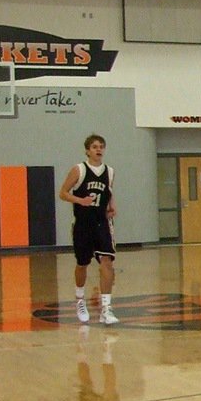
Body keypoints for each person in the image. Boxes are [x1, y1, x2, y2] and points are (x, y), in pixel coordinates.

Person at [59, 134, 119, 325]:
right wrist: (80, 201)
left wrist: (112, 206)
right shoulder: (79, 169)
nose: (98, 149)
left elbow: (108, 192)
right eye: (94, 147)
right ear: (87, 150)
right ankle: (79, 299)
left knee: (107, 262)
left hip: (102, 222)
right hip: (83, 223)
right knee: (82, 264)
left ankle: (106, 309)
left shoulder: (109, 171)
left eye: (101, 146)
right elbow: (63, 193)